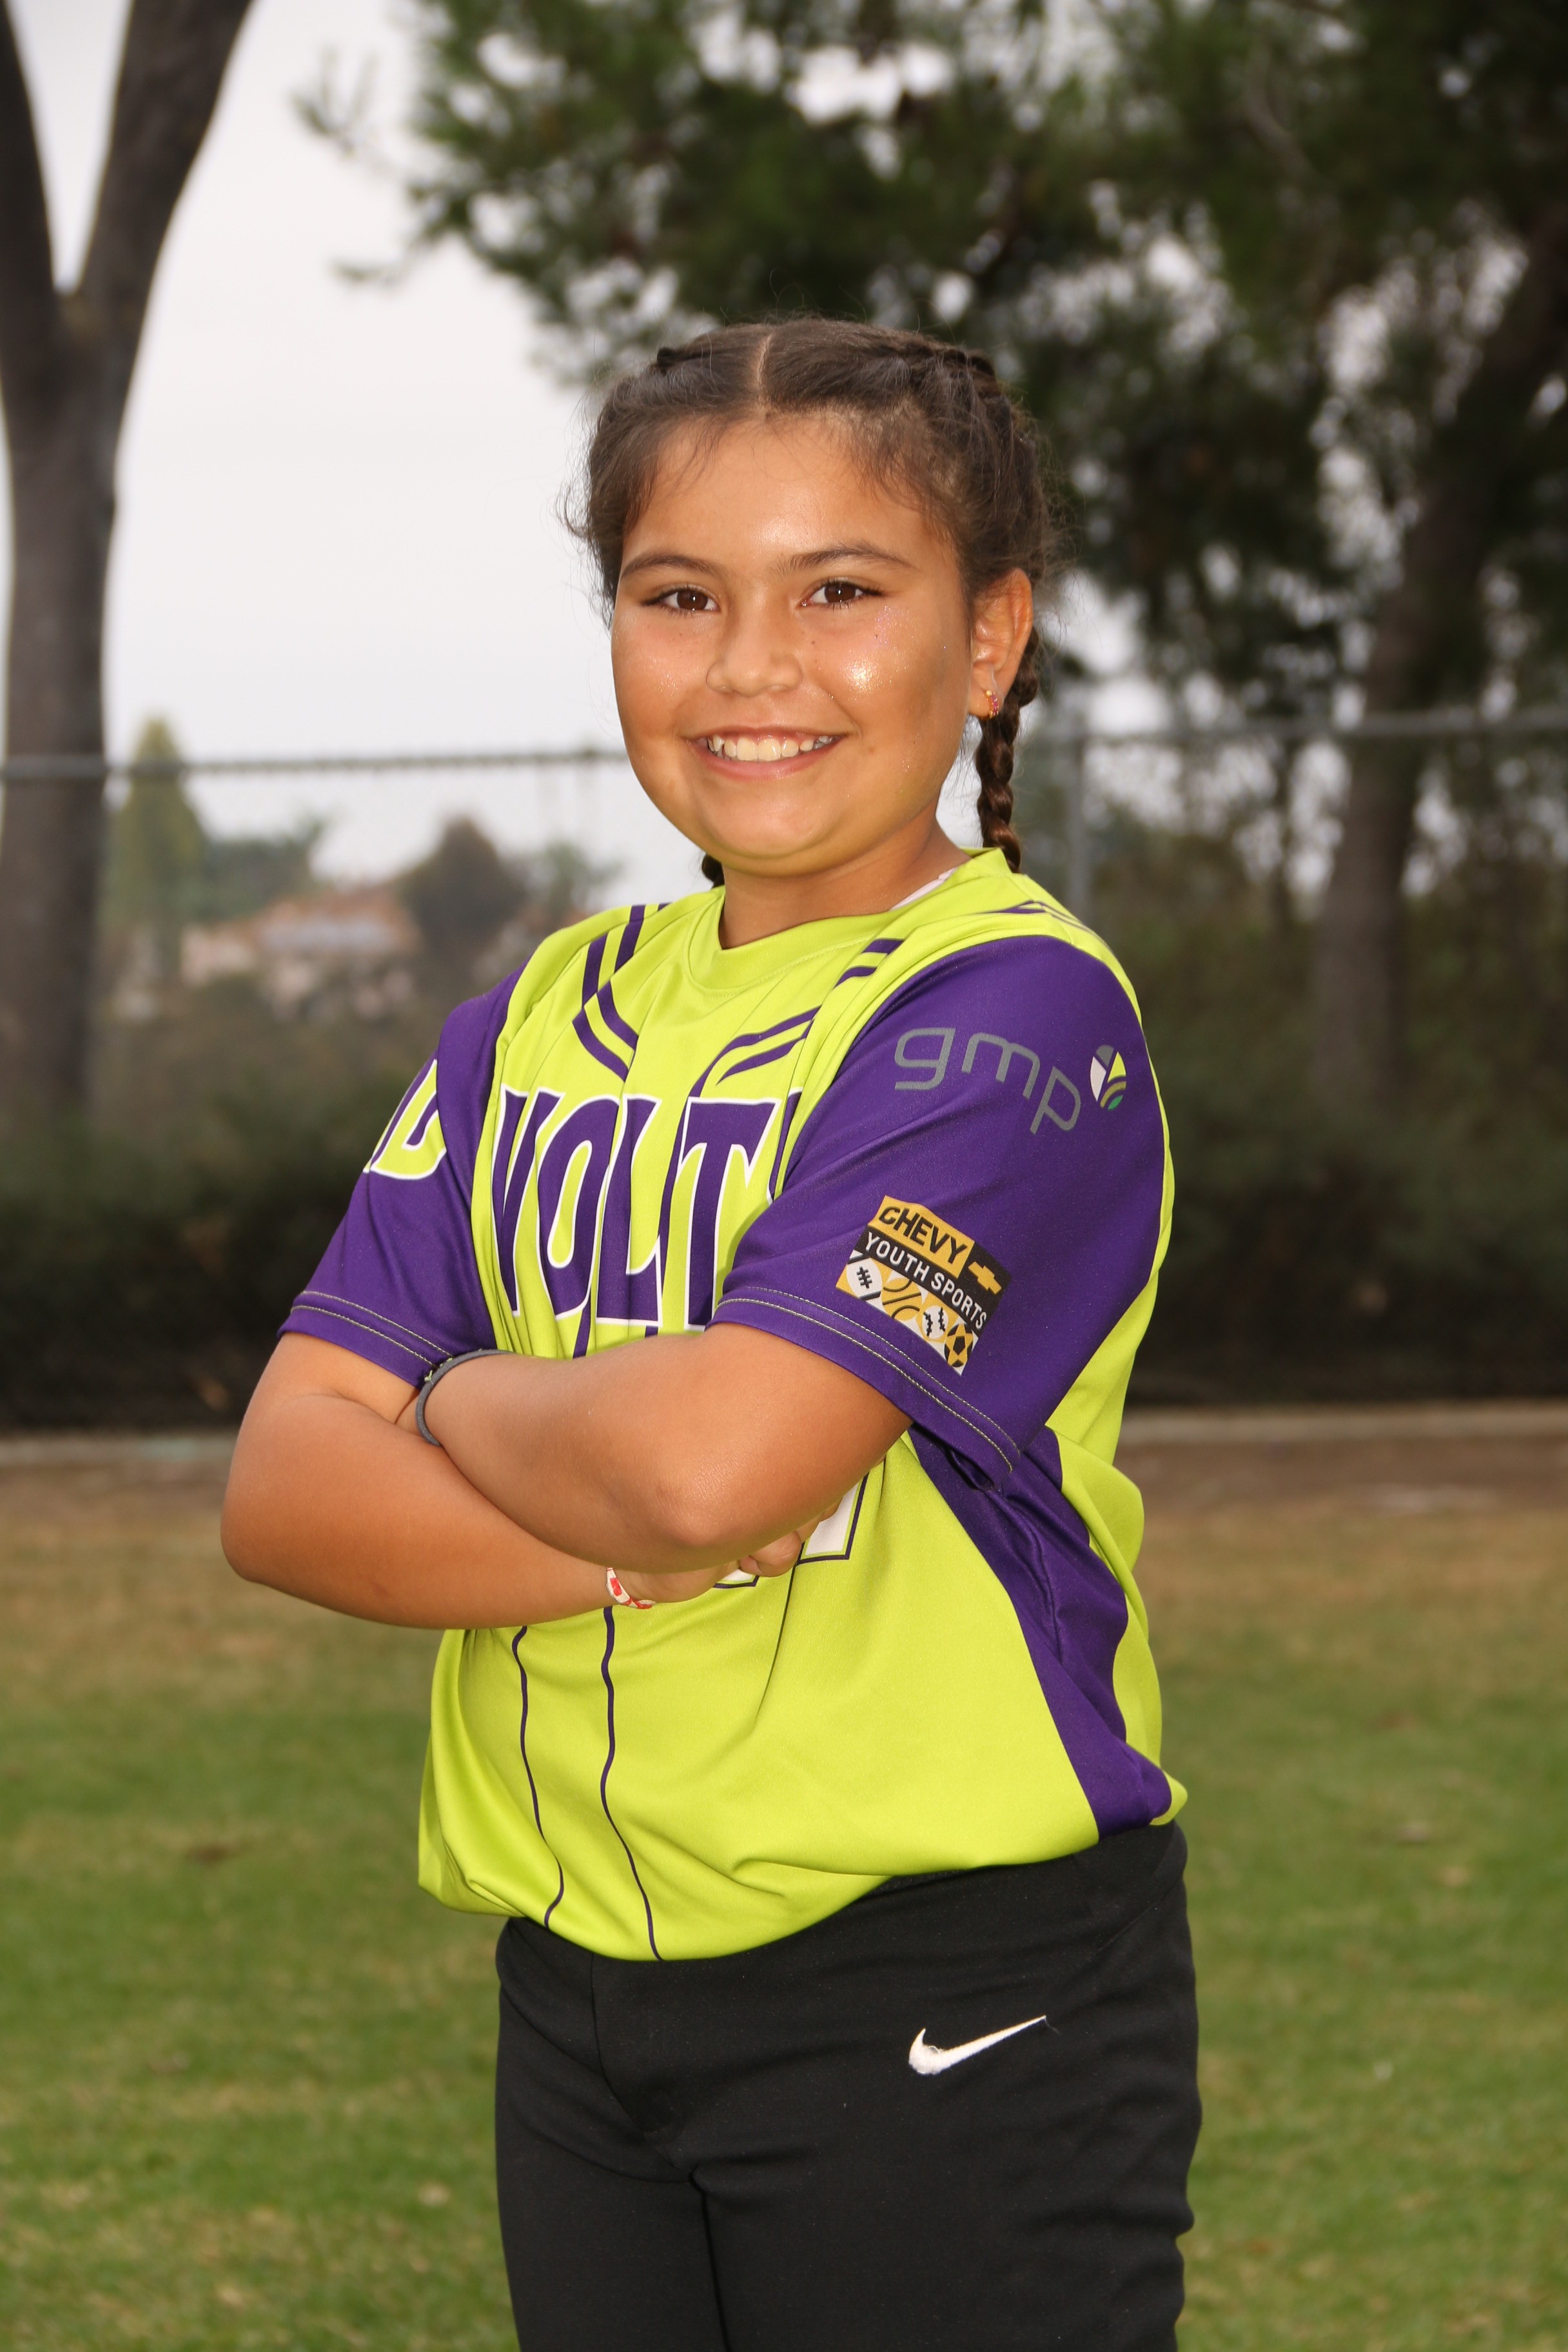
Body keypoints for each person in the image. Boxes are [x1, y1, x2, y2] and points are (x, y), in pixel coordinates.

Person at [224, 317, 1199, 2352]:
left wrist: (450, 1395)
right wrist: (604, 1538)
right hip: (578, 1995)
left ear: (992, 636)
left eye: (839, 592)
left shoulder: (1014, 1016)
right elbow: (286, 1487)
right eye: (679, 597)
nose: (753, 666)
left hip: (944, 1985)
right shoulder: (542, 1011)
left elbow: (712, 1467)